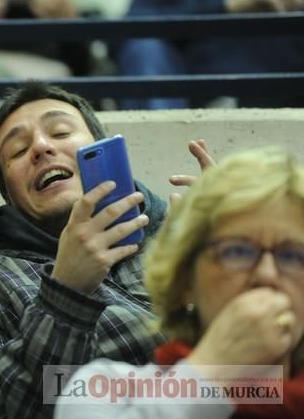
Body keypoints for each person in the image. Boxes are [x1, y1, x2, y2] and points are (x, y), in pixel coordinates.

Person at [0, 80, 213, 418]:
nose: (40, 147)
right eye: (18, 151)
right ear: (8, 193)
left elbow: (272, 377)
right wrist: (66, 294)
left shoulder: (183, 230)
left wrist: (246, 247)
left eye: (61, 132)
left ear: (102, 147)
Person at [55, 146, 304, 418]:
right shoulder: (106, 390)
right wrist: (214, 367)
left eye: (294, 256)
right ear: (186, 280)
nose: (267, 274)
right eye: (237, 251)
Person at [116, 0, 304, 110]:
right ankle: (160, 148)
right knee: (143, 46)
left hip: (282, 113)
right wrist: (226, 4)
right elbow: (124, 33)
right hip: (190, 114)